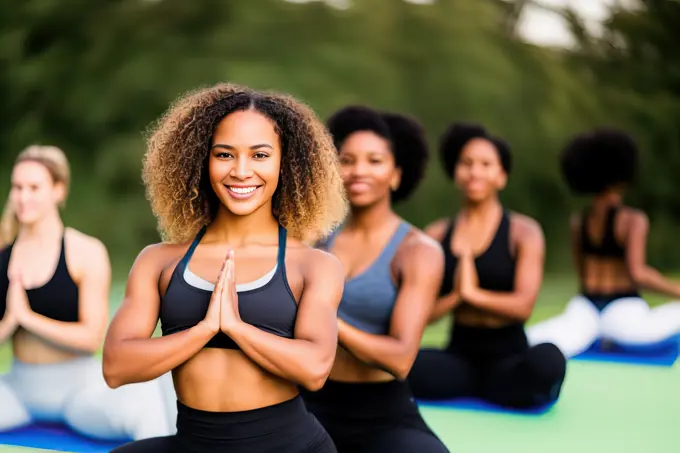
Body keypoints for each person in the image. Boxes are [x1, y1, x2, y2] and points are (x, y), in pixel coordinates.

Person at [102, 83, 348, 453]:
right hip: (194, 443)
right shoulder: (160, 261)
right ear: (202, 160)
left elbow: (315, 369)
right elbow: (117, 367)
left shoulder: (313, 266)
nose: (241, 171)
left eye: (260, 155)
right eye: (225, 155)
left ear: (287, 163)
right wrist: (203, 330)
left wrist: (236, 327)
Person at [0, 145, 176, 441]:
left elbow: (91, 338)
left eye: (34, 187)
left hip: (78, 390)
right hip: (17, 389)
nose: (23, 197)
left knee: (146, 403)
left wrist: (26, 318)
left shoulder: (85, 252)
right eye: (17, 187)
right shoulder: (4, 253)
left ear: (58, 190)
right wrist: (9, 323)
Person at [301, 105, 449, 453]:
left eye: (374, 161)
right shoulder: (317, 240)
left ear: (396, 174)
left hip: (381, 410)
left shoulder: (418, 251)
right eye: (347, 160)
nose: (358, 171)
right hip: (309, 401)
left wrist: (325, 318)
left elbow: (400, 359)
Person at [407, 123, 566, 409]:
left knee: (549, 360)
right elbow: (421, 315)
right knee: (397, 364)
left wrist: (473, 294)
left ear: (501, 176)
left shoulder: (523, 232)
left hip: (508, 359)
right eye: (466, 163)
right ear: (455, 173)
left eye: (486, 164)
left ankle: (509, 388)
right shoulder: (436, 235)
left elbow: (523, 307)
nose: (475, 172)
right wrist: (455, 297)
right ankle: (482, 389)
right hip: (458, 359)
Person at [526, 128, 680, 357]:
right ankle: (608, 336)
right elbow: (638, 274)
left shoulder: (578, 222)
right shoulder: (632, 220)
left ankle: (598, 335)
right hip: (623, 313)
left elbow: (582, 273)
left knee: (535, 339)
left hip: (584, 309)